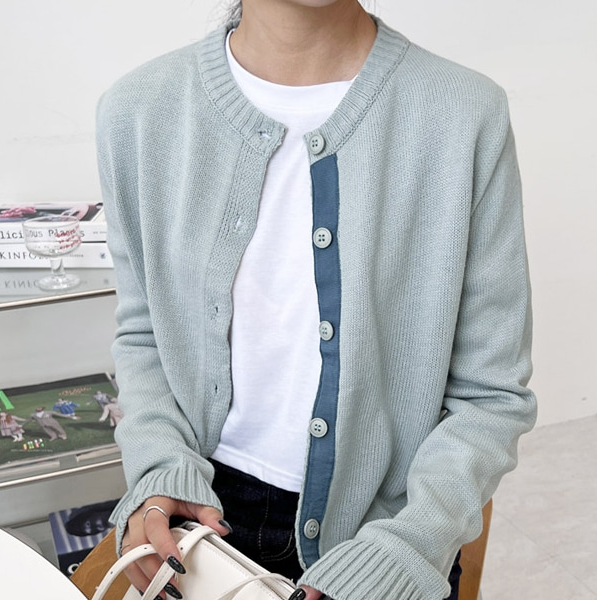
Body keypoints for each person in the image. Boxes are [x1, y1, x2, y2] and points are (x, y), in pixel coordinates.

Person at [96, 1, 537, 599]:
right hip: (197, 520)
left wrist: (410, 544)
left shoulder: (464, 113)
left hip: (387, 536)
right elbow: (145, 332)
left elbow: (491, 395)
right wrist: (158, 467)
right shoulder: (137, 111)